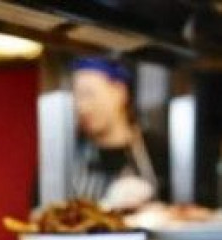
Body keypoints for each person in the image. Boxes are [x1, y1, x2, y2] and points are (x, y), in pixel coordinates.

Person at [69, 57, 170, 210]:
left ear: (120, 92)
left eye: (88, 94)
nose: (81, 106)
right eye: (76, 97)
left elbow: (183, 211)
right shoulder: (68, 154)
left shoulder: (158, 150)